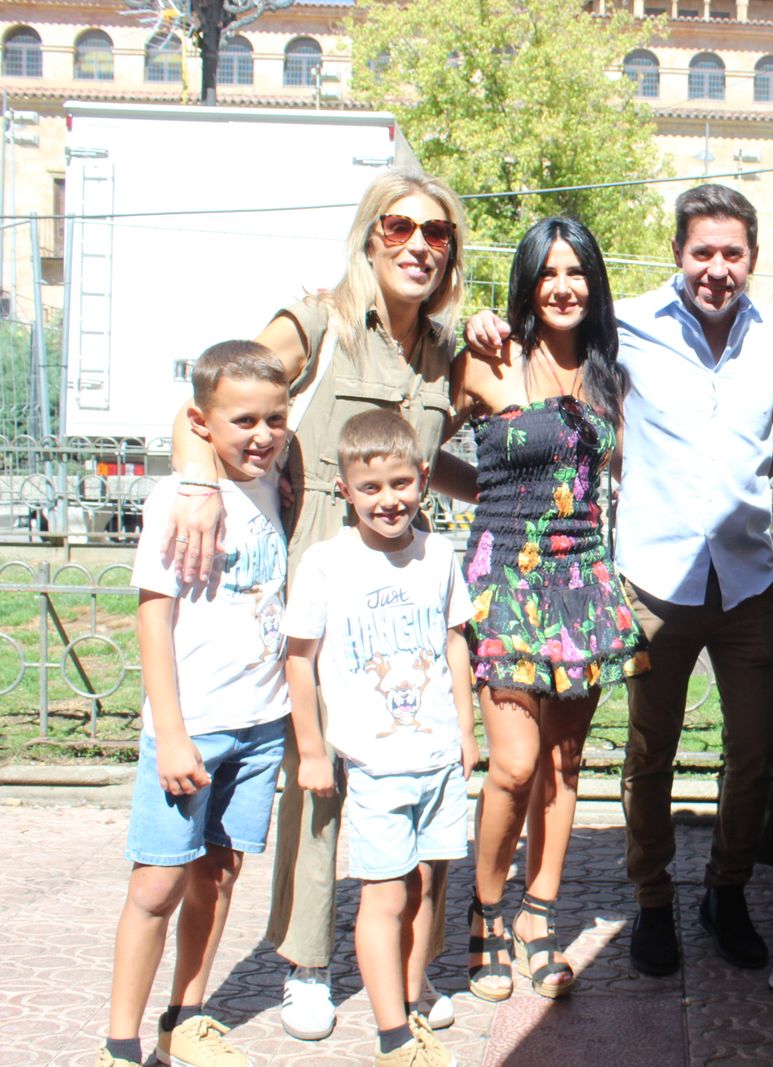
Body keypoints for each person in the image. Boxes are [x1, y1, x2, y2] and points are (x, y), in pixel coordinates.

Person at [165, 168, 475, 1039]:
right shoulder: (319, 320)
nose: (418, 243)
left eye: (437, 232)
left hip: (405, 575)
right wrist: (195, 487)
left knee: (416, 755)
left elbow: (427, 454)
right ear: (369, 235)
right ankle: (307, 960)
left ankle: (412, 966)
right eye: (399, 227)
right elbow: (218, 402)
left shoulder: (445, 351)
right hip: (318, 568)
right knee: (319, 768)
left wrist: (493, 491)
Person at [465, 184, 773, 979]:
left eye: (733, 253)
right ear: (678, 252)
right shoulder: (629, 326)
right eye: (702, 251)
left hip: (745, 575)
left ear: (752, 256)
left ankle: (726, 890)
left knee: (756, 750)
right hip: (648, 574)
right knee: (647, 750)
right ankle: (650, 899)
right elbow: (503, 362)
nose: (717, 268)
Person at [453, 217, 645, 1002]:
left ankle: (540, 916)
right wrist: (492, 503)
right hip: (507, 583)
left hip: (583, 582)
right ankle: (486, 908)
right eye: (549, 272)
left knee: (567, 765)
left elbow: (609, 475)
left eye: (578, 273)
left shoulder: (609, 377)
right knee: (514, 765)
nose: (564, 286)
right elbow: (418, 442)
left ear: (594, 285)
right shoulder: (488, 358)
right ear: (529, 282)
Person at [100, 341, 291, 1067]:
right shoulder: (177, 499)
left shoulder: (277, 484)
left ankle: (188, 1013)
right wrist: (172, 733)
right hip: (193, 727)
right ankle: (120, 1041)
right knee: (157, 881)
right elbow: (155, 616)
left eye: (276, 417)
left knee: (218, 873)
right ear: (201, 421)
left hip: (260, 723)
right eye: (243, 419)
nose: (263, 434)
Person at [281, 410, 477, 1067]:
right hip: (374, 765)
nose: (388, 499)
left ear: (423, 479)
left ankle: (413, 994)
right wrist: (312, 750)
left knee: (425, 885)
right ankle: (393, 1036)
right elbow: (300, 660)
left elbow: (455, 644)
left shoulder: (440, 555)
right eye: (371, 487)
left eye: (401, 483)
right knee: (384, 893)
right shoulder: (327, 563)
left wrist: (467, 733)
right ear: (344, 489)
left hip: (439, 759)